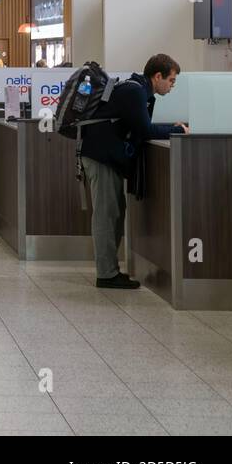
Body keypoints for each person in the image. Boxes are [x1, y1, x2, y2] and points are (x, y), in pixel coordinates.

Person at [80, 54, 186, 289]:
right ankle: (106, 274)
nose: (172, 86)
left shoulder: (138, 90)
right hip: (101, 157)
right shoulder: (135, 91)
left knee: (114, 212)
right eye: (171, 80)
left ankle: (109, 271)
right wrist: (177, 130)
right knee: (107, 215)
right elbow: (145, 129)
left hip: (104, 156)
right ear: (157, 76)